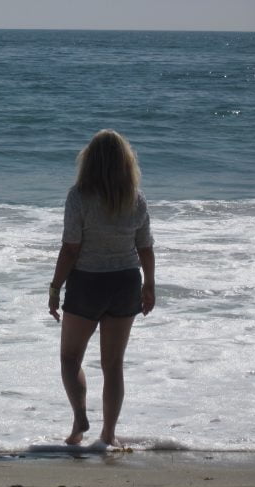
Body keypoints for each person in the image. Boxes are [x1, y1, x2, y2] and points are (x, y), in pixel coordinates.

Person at [48, 129, 155, 448]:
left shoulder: (79, 196)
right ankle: (108, 433)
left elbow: (71, 248)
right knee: (113, 365)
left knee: (70, 358)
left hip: (88, 282)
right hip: (125, 282)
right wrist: (149, 285)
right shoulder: (135, 198)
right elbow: (145, 247)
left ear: (89, 161)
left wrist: (55, 287)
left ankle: (79, 420)